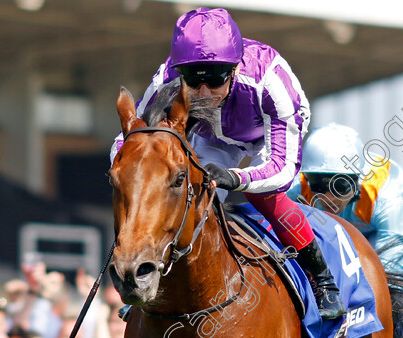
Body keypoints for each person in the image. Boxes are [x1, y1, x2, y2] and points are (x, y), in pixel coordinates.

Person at [110, 7, 344, 318]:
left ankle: (323, 281)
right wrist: (131, 172)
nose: (204, 92)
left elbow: (282, 168)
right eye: (193, 81)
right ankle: (157, 283)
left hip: (267, 133)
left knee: (263, 196)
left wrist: (237, 177)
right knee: (195, 199)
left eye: (217, 80)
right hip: (213, 139)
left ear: (233, 70)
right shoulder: (167, 77)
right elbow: (130, 140)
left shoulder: (270, 81)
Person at [285, 123, 403, 275]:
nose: (329, 197)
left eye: (340, 185)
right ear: (305, 177)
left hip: (386, 231)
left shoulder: (388, 194)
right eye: (318, 184)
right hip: (333, 232)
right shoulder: (297, 188)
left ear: (357, 180)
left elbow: (393, 270)